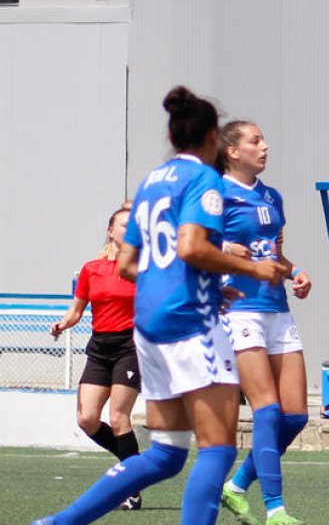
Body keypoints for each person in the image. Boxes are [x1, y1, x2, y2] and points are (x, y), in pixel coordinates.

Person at [35, 86, 287, 525]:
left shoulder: (151, 181)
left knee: (167, 453)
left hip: (149, 326)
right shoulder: (205, 179)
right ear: (212, 138)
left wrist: (195, 281)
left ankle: (59, 523)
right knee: (218, 448)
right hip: (191, 325)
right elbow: (190, 247)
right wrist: (250, 271)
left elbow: (130, 263)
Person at [214, 120, 312, 525]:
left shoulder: (272, 196)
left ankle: (236, 486)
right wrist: (219, 246)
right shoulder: (214, 193)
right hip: (238, 309)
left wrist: (295, 273)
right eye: (256, 141)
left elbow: (271, 253)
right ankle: (276, 510)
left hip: (277, 306)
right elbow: (188, 243)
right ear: (233, 151)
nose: (265, 146)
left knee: (296, 416)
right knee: (267, 410)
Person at [51, 206, 143, 511]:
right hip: (99, 348)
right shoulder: (92, 269)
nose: (128, 230)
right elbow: (76, 310)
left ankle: (131, 489)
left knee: (119, 419)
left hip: (130, 346)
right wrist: (63, 323)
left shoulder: (144, 267)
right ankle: (134, 466)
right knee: (87, 419)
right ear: (110, 230)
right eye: (123, 225)